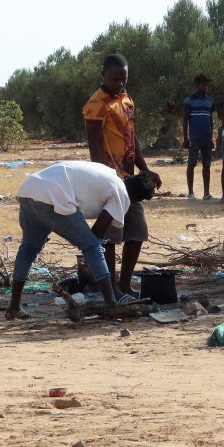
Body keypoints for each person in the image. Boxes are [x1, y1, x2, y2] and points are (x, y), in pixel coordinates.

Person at [6, 161, 157, 319]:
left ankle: (14, 307)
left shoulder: (109, 173)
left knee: (28, 250)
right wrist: (92, 258)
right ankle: (111, 304)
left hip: (28, 189)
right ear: (136, 199)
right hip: (54, 195)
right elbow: (97, 233)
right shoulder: (122, 195)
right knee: (93, 247)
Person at [83, 53, 162, 298]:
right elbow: (94, 144)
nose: (119, 83)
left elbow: (131, 140)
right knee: (111, 238)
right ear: (103, 74)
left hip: (130, 179)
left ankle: (125, 284)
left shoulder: (127, 100)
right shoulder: (96, 104)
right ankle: (111, 287)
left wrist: (145, 169)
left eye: (123, 78)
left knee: (137, 233)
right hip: (110, 179)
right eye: (114, 78)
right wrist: (102, 176)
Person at [182, 73, 217, 201]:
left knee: (207, 165)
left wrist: (212, 137)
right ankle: (191, 193)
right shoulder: (189, 100)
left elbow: (211, 119)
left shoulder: (210, 100)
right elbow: (185, 120)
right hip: (194, 137)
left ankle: (206, 194)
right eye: (203, 85)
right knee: (191, 164)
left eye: (207, 85)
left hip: (207, 137)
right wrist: (185, 139)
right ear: (197, 85)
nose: (205, 87)